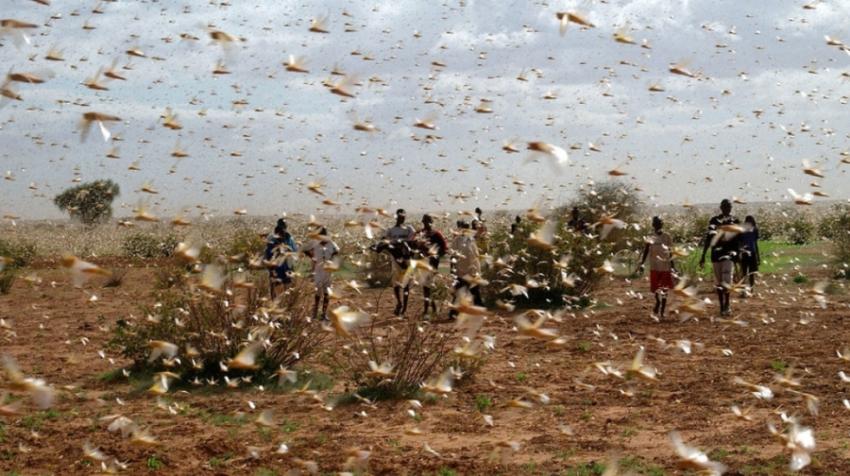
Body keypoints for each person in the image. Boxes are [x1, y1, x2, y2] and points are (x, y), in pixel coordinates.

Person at [699, 199, 741, 316]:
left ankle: (727, 305)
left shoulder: (735, 221)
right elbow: (709, 238)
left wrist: (738, 255)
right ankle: (722, 306)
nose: (728, 208)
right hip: (716, 255)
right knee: (719, 283)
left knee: (726, 281)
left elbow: (738, 240)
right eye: (725, 206)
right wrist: (703, 256)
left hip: (728, 255)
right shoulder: (714, 221)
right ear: (721, 208)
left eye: (729, 206)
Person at [638, 216, 675, 319]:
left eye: (660, 223)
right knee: (655, 289)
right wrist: (642, 263)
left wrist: (673, 266)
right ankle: (658, 302)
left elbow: (671, 252)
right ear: (653, 225)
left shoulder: (667, 237)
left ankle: (662, 310)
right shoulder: (650, 237)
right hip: (654, 267)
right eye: (656, 223)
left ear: (662, 225)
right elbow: (646, 250)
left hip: (665, 267)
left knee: (664, 289)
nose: (658, 225)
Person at [382, 209, 416, 316]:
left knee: (405, 283)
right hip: (395, 260)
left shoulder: (409, 229)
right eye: (400, 216)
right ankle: (399, 303)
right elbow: (386, 242)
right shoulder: (391, 230)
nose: (402, 218)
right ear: (396, 217)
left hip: (406, 259)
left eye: (403, 216)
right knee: (396, 284)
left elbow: (413, 241)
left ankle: (404, 308)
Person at [415, 214, 448, 316]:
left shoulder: (436, 234)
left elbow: (444, 249)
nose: (426, 223)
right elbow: (414, 245)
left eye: (427, 221)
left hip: (433, 263)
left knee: (430, 286)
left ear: (431, 222)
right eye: (424, 221)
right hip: (423, 262)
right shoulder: (420, 233)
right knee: (426, 286)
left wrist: (437, 258)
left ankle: (431, 308)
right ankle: (429, 308)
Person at [449, 220, 482, 320]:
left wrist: (477, 269)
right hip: (461, 271)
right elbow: (453, 255)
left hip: (472, 271)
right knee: (460, 292)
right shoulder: (457, 240)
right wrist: (452, 269)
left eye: (468, 227)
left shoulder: (471, 239)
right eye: (465, 227)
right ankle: (453, 313)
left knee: (475, 291)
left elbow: (475, 254)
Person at [304, 227, 339, 321]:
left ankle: (323, 314)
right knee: (318, 292)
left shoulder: (331, 243)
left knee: (327, 293)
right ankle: (315, 314)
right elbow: (305, 250)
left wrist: (331, 258)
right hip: (318, 271)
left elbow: (337, 251)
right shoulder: (314, 243)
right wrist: (312, 257)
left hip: (328, 272)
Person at [264, 218, 297, 299]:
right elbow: (268, 252)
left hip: (286, 265)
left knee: (286, 285)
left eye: (284, 227)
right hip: (275, 266)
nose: (283, 230)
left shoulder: (289, 238)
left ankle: (285, 303)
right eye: (282, 227)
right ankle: (274, 303)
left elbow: (294, 251)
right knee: (276, 285)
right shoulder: (272, 238)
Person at [739, 215, 760, 296]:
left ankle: (749, 290)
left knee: (749, 273)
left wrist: (758, 256)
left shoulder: (754, 230)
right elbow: (740, 243)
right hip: (747, 253)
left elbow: (755, 243)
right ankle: (745, 290)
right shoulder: (744, 231)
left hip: (751, 252)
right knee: (746, 273)